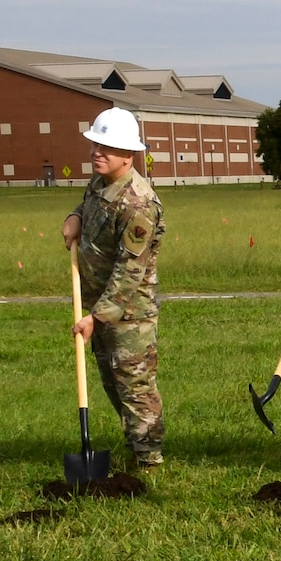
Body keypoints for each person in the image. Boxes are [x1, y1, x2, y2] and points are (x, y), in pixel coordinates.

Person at [60, 109, 166, 472]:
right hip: (97, 306)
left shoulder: (138, 203)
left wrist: (96, 317)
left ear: (128, 155)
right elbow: (87, 207)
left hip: (128, 312)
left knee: (134, 386)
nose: (97, 153)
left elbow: (129, 271)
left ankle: (149, 460)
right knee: (111, 381)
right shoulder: (98, 184)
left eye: (108, 147)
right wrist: (74, 217)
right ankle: (132, 445)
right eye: (95, 145)